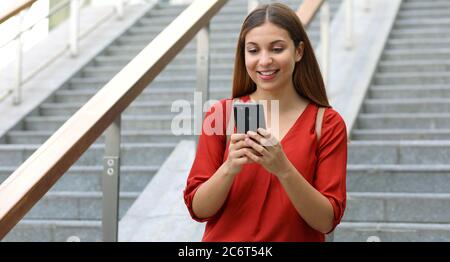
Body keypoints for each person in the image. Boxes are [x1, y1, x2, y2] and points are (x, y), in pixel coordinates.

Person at [183, 3, 347, 242]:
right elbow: (198, 209)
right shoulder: (222, 114)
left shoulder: (327, 123)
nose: (264, 61)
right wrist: (229, 167)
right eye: (253, 50)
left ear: (299, 51)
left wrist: (283, 168)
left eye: (277, 49)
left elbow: (326, 221)